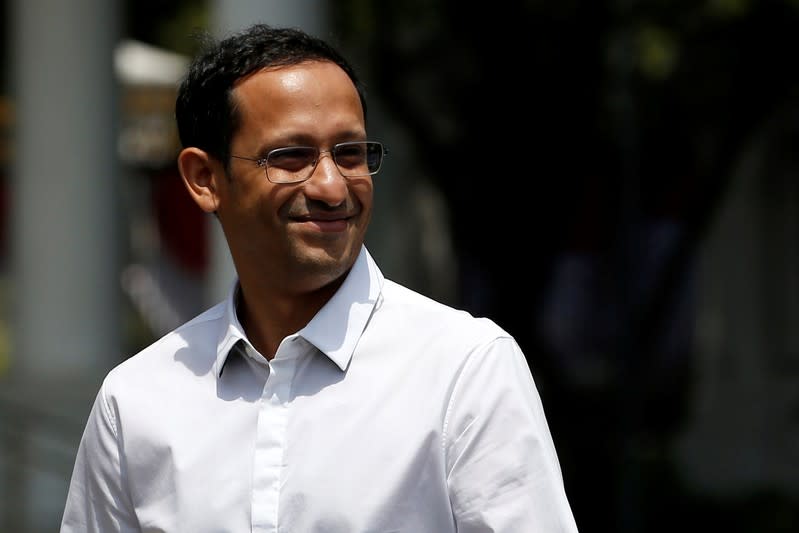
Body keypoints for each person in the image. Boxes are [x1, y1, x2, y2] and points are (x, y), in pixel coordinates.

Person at [60, 23, 579, 533]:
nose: (332, 187)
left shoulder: (463, 372)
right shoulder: (134, 402)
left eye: (350, 153)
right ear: (205, 179)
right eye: (292, 157)